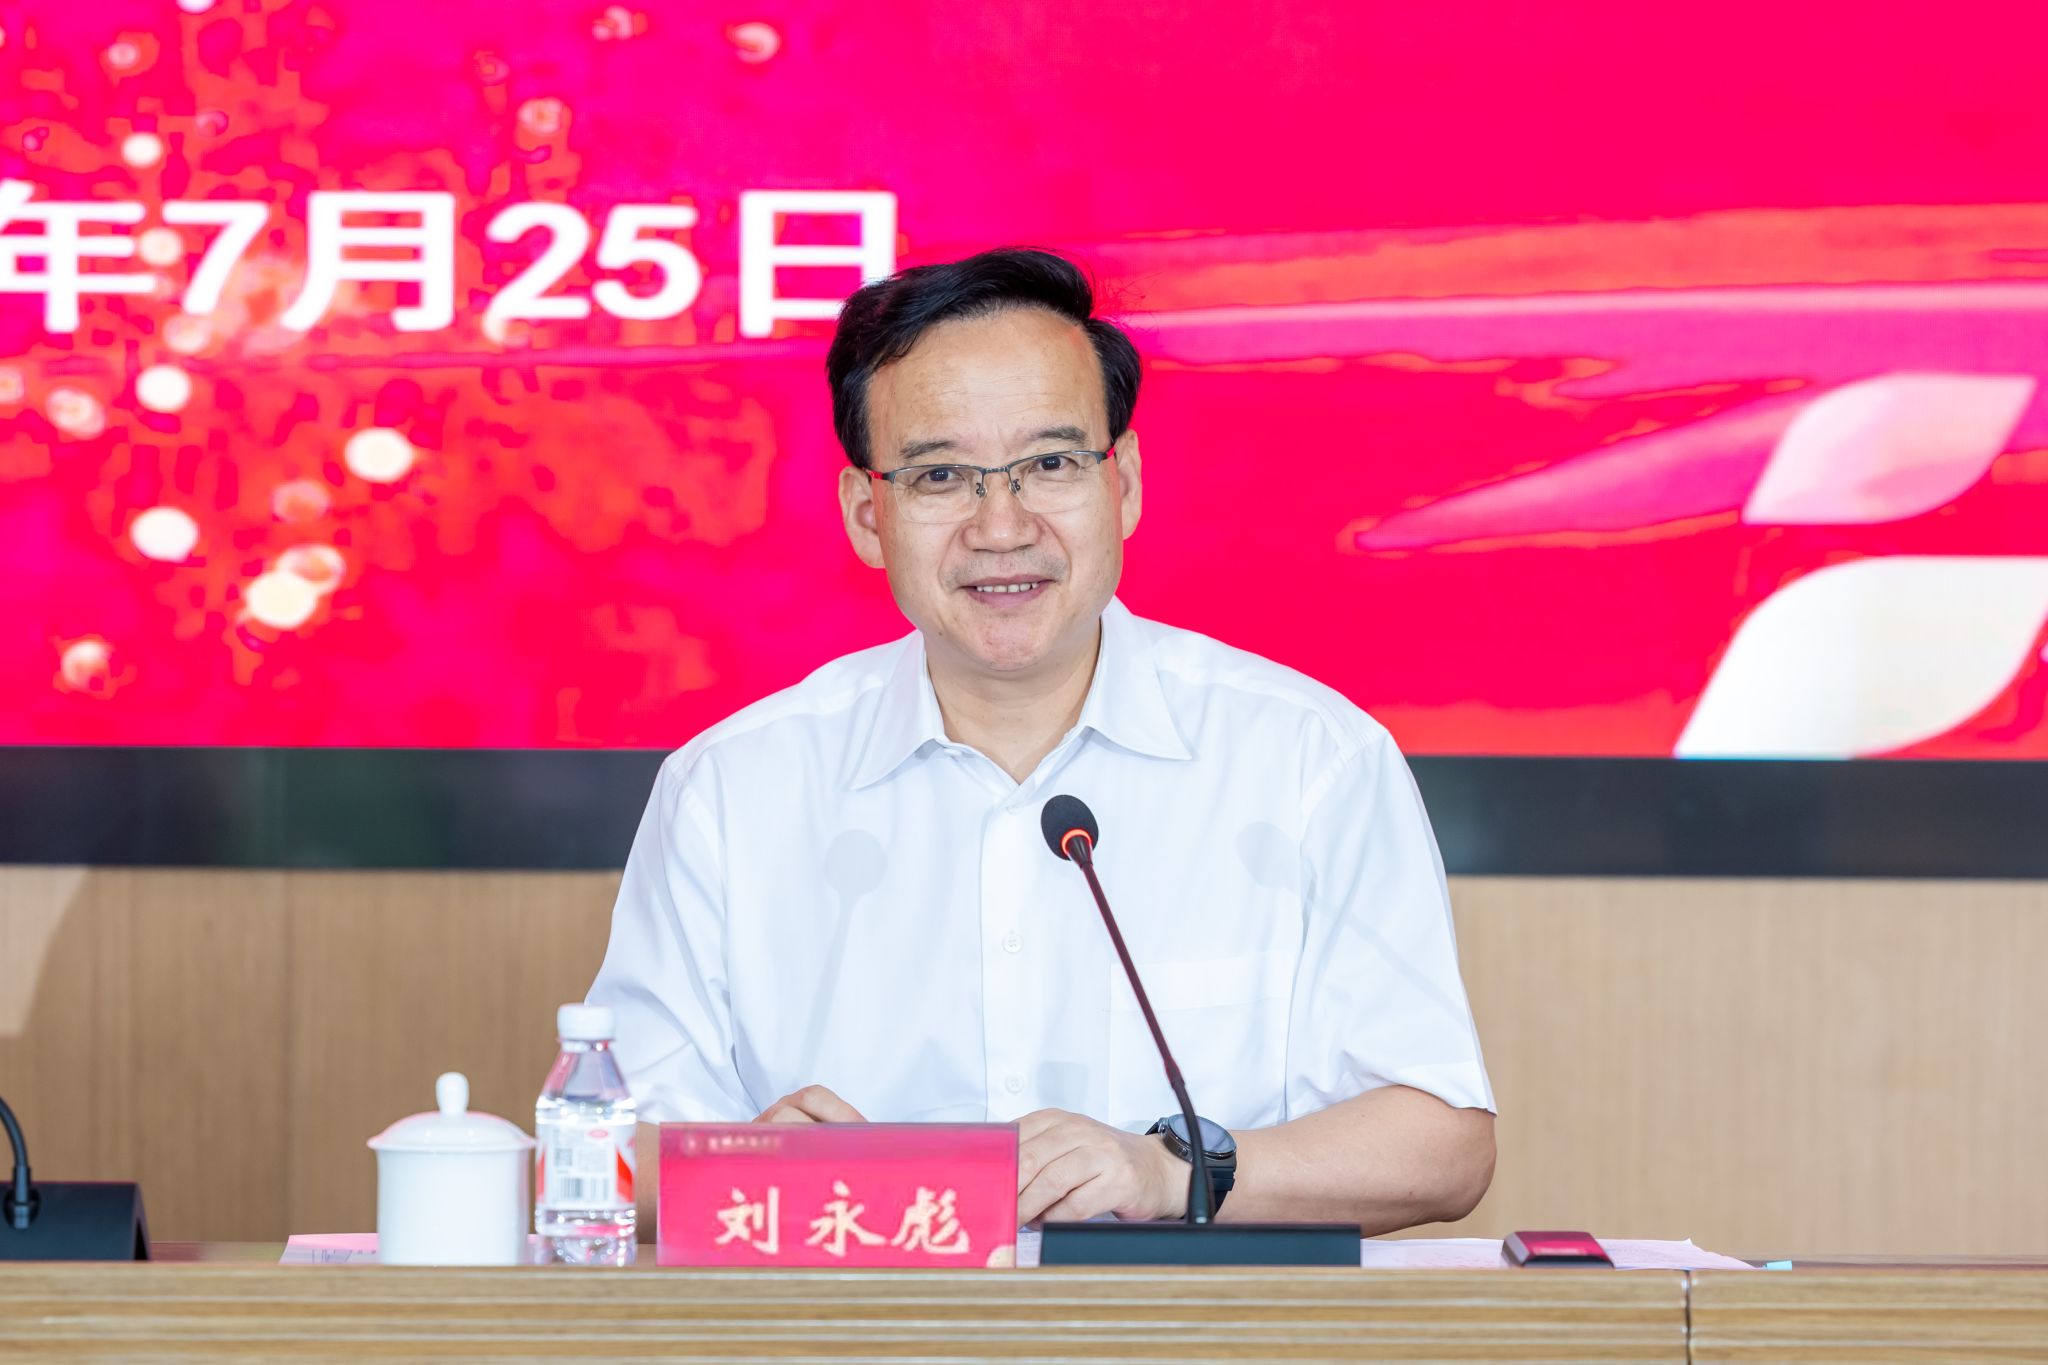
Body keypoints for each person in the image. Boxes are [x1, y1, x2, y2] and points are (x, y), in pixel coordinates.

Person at [589, 248, 1494, 1233]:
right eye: (940, 475)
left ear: (1124, 484)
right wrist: (766, 1170)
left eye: (1051, 465)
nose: (1000, 526)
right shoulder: (732, 788)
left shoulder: (1308, 760)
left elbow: (1440, 1143)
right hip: (859, 1316)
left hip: (1190, 1322)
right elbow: (603, 1154)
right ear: (866, 515)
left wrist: (1172, 1172)